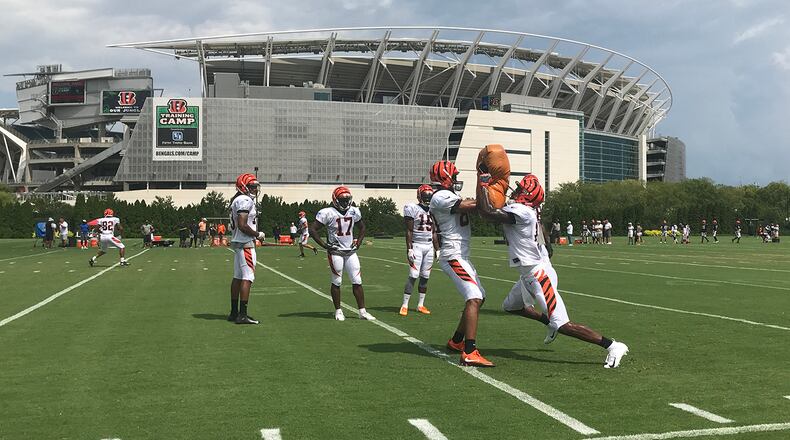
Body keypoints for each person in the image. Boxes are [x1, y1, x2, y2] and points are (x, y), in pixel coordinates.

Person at [477, 173, 629, 368]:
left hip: (538, 275)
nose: (516, 191)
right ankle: (549, 322)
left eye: (520, 189)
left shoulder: (522, 211)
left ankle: (613, 345)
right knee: (511, 306)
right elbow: (538, 227)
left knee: (563, 324)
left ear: (527, 195)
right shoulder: (530, 211)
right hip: (531, 271)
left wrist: (483, 184)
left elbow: (488, 213)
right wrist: (546, 247)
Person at [429, 160, 493, 367]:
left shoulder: (449, 195)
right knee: (473, 298)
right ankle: (469, 351)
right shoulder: (440, 197)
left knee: (480, 297)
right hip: (452, 255)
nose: (455, 179)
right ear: (445, 177)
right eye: (453, 175)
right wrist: (485, 188)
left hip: (461, 255)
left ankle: (457, 340)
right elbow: (475, 206)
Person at [309, 186, 376, 321]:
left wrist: (358, 242)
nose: (345, 203)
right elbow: (313, 229)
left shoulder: (354, 211)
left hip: (350, 252)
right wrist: (324, 245)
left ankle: (362, 311)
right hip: (336, 252)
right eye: (342, 200)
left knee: (357, 281)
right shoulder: (328, 212)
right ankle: (338, 310)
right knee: (337, 281)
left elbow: (362, 227)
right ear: (335, 199)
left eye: (347, 200)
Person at [227, 173, 266, 325]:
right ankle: (242, 315)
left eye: (255, 186)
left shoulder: (237, 199)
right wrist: (258, 234)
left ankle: (234, 312)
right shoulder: (244, 199)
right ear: (244, 186)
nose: (255, 189)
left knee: (237, 277)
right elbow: (243, 225)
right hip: (245, 243)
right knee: (248, 277)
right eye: (252, 186)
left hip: (238, 243)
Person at [399, 184, 436, 316]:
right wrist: (409, 249)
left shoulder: (433, 210)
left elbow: (434, 232)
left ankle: (420, 305)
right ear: (419, 196)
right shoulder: (412, 208)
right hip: (417, 245)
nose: (427, 199)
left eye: (429, 196)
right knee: (414, 275)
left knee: (425, 276)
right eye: (425, 196)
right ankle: (405, 305)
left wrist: (438, 249)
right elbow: (409, 231)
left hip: (429, 246)